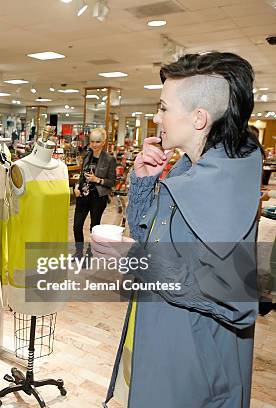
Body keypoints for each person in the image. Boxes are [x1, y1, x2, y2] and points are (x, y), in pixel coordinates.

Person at [92, 52, 262, 408]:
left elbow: (237, 300)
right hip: (161, 338)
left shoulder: (225, 187)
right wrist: (142, 183)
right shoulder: (187, 169)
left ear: (198, 118)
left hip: (193, 366)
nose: (157, 118)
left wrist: (139, 260)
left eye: (164, 108)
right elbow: (147, 236)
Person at [73, 128, 116, 251]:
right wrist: (76, 187)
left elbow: (112, 182)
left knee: (94, 227)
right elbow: (82, 175)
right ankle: (79, 252)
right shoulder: (87, 156)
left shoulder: (109, 159)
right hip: (83, 195)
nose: (94, 144)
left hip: (98, 197)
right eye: (92, 141)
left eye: (97, 142)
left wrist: (97, 180)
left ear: (103, 142)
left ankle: (90, 253)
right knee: (77, 226)